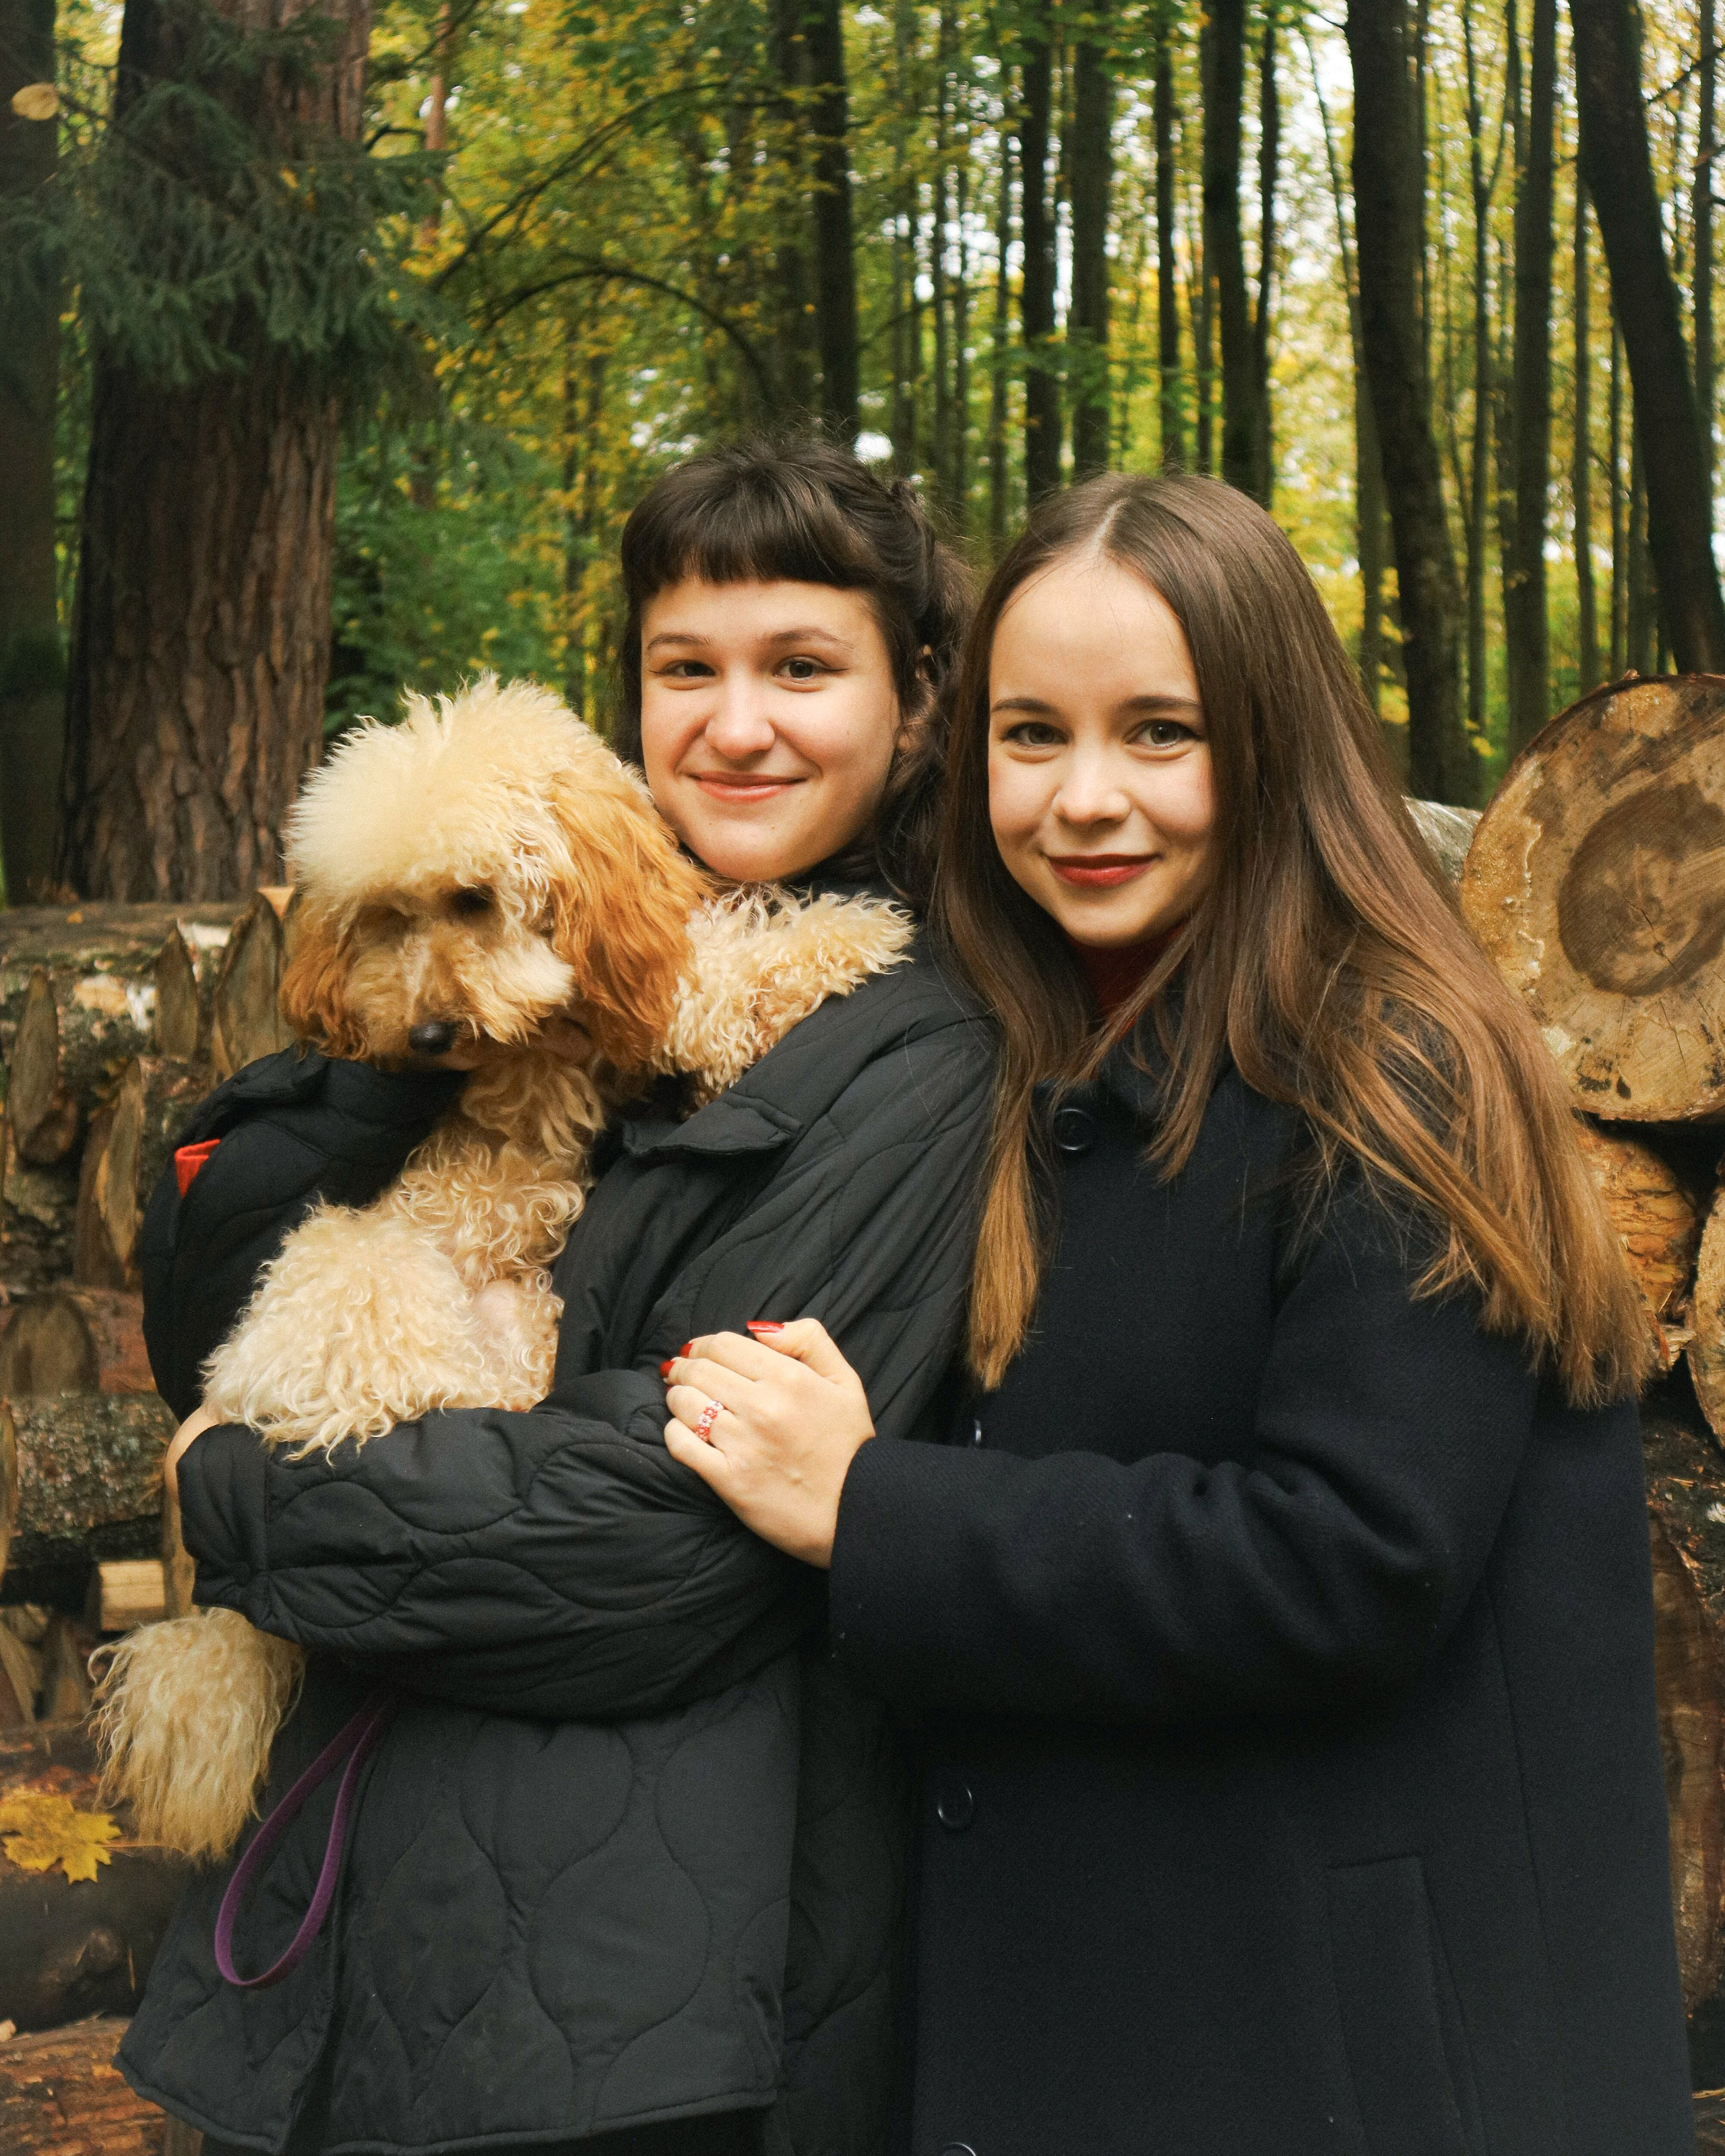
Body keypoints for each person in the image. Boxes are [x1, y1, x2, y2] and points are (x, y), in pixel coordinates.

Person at [662, 472, 1695, 2155]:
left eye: (1159, 732)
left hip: (1345, 2065)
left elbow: (1350, 1556)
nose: (1082, 799)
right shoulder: (1011, 1050)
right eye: (1026, 735)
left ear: (1278, 738)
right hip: (1103, 2020)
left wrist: (872, 1509)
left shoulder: (1389, 1066)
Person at [124, 437, 994, 2156]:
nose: (734, 723)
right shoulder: (522, 990)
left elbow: (655, 1547)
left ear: (913, 701)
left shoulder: (915, 1050)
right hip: (374, 1931)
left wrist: (228, 1496)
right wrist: (389, 1074)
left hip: (637, 2013)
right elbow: (203, 1288)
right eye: (688, 669)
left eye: (802, 667)